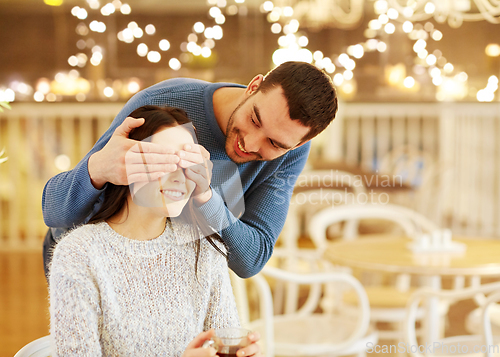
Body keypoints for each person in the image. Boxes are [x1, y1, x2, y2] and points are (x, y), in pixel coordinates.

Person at [42, 61, 338, 279]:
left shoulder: (290, 153)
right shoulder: (162, 105)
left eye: (274, 143)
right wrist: (97, 170)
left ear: (301, 143)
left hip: (171, 274)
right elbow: (55, 213)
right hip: (88, 265)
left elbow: (251, 259)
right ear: (253, 87)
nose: (249, 143)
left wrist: (207, 199)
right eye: (255, 119)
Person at [49, 105, 262, 356]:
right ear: (125, 165)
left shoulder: (205, 250)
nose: (180, 176)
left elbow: (223, 341)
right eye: (164, 161)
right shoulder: (79, 255)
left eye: (190, 163)